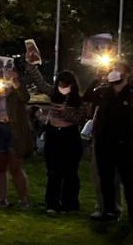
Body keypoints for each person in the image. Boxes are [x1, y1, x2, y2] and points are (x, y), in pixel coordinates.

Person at [85, 62, 133, 225]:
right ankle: (109, 211)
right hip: (104, 142)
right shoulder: (104, 92)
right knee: (106, 178)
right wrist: (97, 78)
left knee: (128, 180)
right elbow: (86, 97)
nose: (113, 73)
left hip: (125, 143)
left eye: (117, 70)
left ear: (127, 74)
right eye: (112, 70)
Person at [22, 64, 86, 215]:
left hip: (70, 136)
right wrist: (32, 66)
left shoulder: (79, 101)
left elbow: (79, 119)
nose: (62, 87)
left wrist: (65, 112)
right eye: (60, 84)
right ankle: (52, 203)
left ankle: (70, 204)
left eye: (65, 85)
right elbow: (41, 83)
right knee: (53, 171)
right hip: (54, 135)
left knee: (70, 172)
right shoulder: (53, 93)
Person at [0, 68, 33, 208]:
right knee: (0, 166)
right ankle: (2, 199)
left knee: (15, 167)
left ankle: (24, 199)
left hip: (14, 130)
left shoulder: (17, 88)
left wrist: (15, 84)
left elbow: (25, 98)